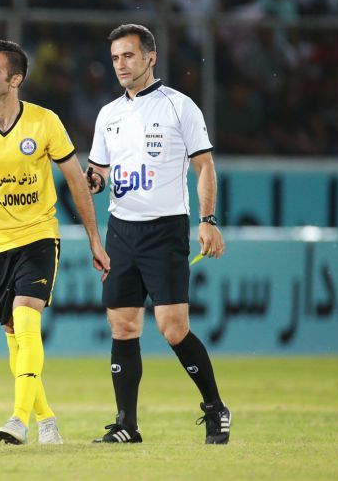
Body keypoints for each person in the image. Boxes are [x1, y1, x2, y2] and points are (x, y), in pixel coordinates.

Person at [0, 39, 110, 445]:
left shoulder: (45, 122)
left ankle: (18, 419)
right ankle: (47, 419)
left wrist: (94, 239)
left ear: (15, 80)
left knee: (27, 316)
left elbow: (76, 181)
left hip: (38, 236)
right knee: (14, 332)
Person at [85, 24, 230, 445]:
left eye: (128, 55)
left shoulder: (179, 107)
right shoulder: (108, 114)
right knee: (123, 325)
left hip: (165, 229)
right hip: (121, 230)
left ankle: (215, 407)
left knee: (172, 328)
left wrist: (208, 219)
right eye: (115, 58)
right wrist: (91, 181)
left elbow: (204, 167)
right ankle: (126, 424)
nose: (120, 65)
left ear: (150, 57)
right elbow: (100, 171)